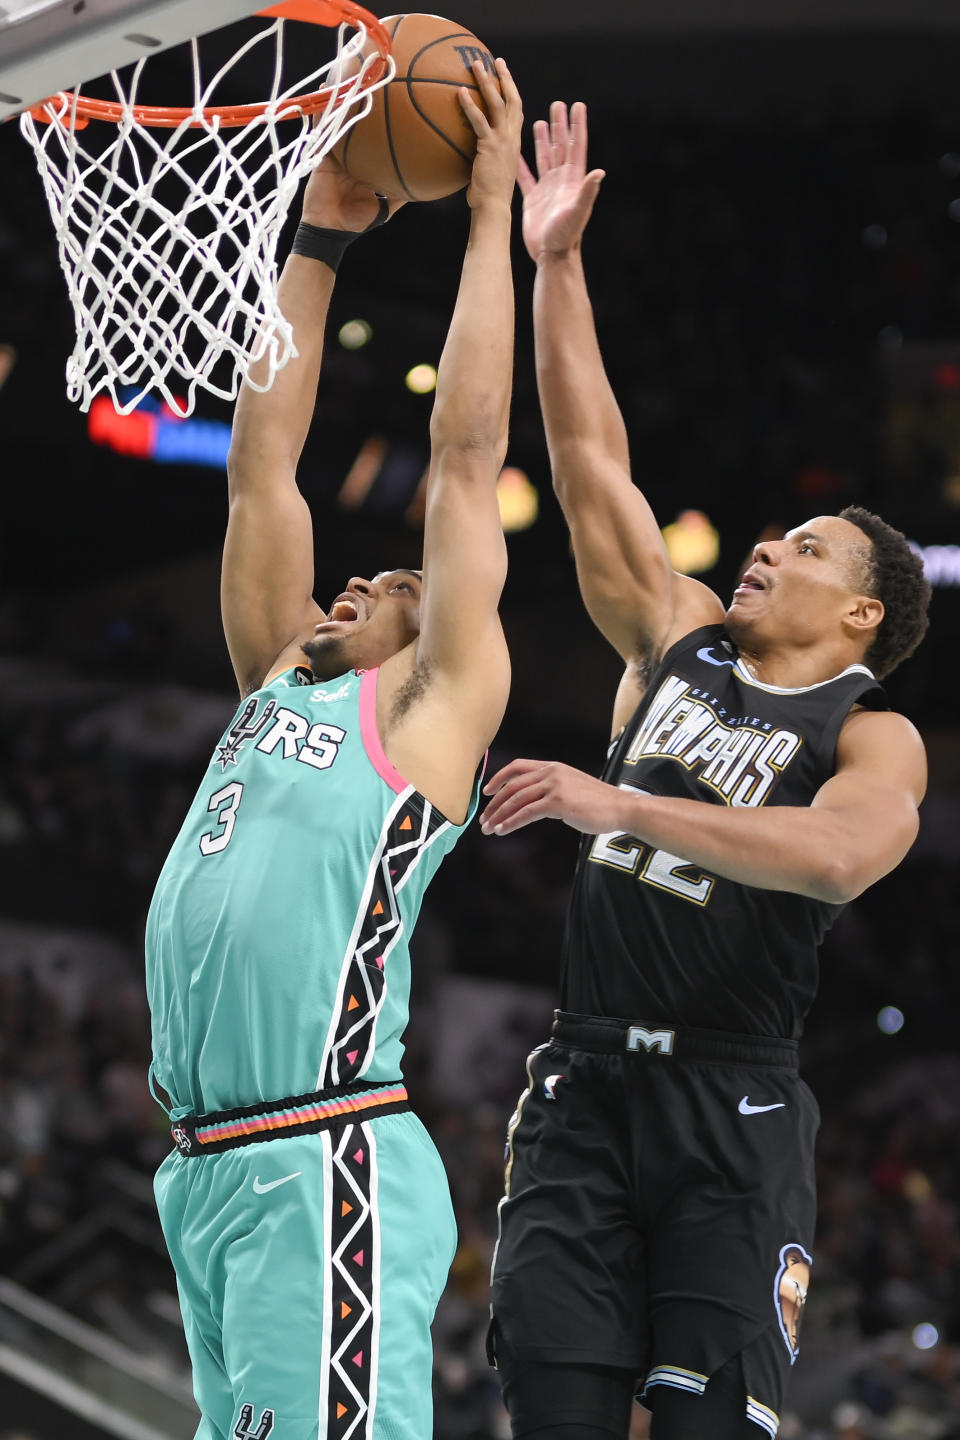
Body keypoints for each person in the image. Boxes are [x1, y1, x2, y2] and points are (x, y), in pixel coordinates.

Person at [480, 101, 931, 1440]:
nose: (766, 551)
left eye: (803, 548)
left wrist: (624, 803)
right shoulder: (675, 637)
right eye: (774, 536)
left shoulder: (867, 732)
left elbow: (844, 856)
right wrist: (555, 265)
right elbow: (586, 465)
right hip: (581, 1088)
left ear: (860, 618)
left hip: (733, 1106)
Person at [144, 58, 521, 1440]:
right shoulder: (270, 681)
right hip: (204, 1173)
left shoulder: (419, 721)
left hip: (321, 1155)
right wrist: (315, 240)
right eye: (346, 584)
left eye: (391, 589)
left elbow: (467, 457)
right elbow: (265, 456)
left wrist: (487, 223)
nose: (355, 586)